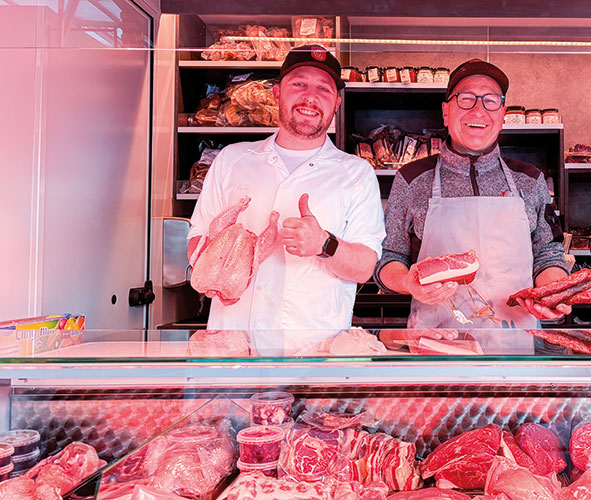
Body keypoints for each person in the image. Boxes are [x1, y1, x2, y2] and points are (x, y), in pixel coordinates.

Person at [188, 45, 385, 332]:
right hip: (233, 344)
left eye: (323, 90)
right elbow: (196, 239)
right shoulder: (232, 159)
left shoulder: (357, 174)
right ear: (277, 93)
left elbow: (365, 266)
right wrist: (217, 261)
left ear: (336, 104)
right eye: (299, 84)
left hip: (314, 351)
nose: (310, 97)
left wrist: (324, 244)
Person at [375, 59, 569, 351]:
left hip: (515, 345)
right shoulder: (412, 180)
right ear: (445, 111)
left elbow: (548, 255)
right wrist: (408, 282)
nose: (479, 110)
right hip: (436, 344)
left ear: (502, 114)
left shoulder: (530, 180)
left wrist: (553, 293)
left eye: (491, 101)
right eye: (466, 99)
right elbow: (387, 259)